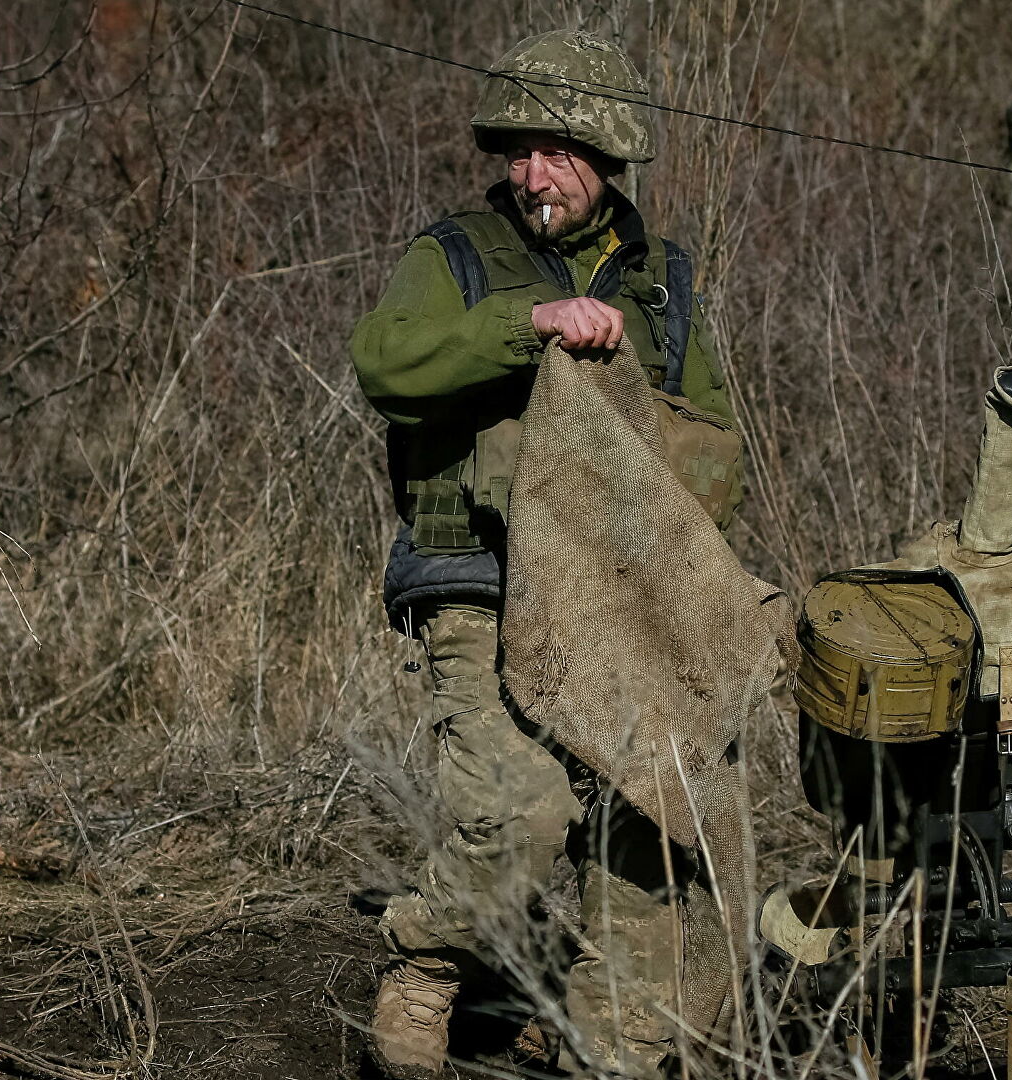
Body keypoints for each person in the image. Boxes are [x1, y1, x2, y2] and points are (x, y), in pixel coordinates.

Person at [350, 30, 745, 1078]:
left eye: (558, 151)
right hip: (475, 578)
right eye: (519, 150)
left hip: (623, 599)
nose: (533, 174)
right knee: (525, 809)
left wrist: (636, 403)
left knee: (647, 825)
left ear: (609, 156)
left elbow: (720, 458)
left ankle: (606, 1046)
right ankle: (425, 967)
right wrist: (531, 323)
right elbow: (387, 365)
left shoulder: (663, 285)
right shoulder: (458, 255)